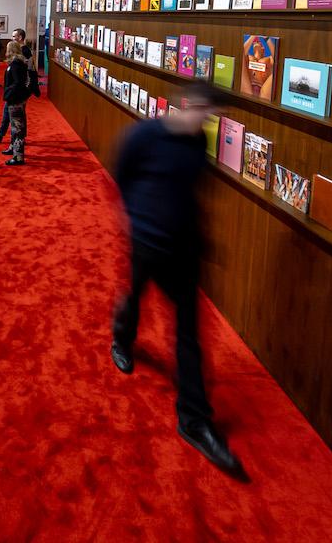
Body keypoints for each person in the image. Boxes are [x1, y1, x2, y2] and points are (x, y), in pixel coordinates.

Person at [109, 80, 247, 480]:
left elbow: (192, 192)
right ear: (188, 105)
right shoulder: (145, 135)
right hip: (147, 242)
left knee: (189, 334)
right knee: (135, 298)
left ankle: (194, 418)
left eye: (212, 116)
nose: (205, 121)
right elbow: (123, 175)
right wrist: (136, 219)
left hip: (183, 250)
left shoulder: (197, 145)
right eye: (204, 112)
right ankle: (121, 338)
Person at [0, 40, 38, 166]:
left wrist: (7, 94)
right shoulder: (18, 63)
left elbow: (17, 83)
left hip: (15, 99)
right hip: (17, 99)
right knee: (17, 127)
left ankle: (18, 157)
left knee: (17, 129)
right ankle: (14, 150)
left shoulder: (15, 65)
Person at [0, 29, 29, 141]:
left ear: (20, 37)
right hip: (13, 94)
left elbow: (21, 79)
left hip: (16, 94)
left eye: (14, 36)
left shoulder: (22, 55)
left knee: (17, 119)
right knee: (7, 113)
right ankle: (1, 134)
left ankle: (17, 140)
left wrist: (8, 92)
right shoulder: (16, 60)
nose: (12, 38)